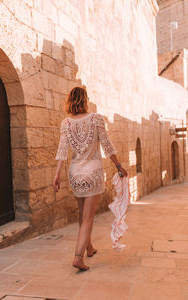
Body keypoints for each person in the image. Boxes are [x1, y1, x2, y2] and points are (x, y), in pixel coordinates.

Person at [53, 87, 127, 271]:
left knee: (82, 214)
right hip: (93, 173)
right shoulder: (96, 119)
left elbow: (62, 151)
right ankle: (78, 257)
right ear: (85, 100)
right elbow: (107, 145)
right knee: (88, 217)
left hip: (75, 173)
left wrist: (56, 175)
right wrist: (118, 166)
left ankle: (90, 248)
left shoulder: (66, 123)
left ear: (70, 100)